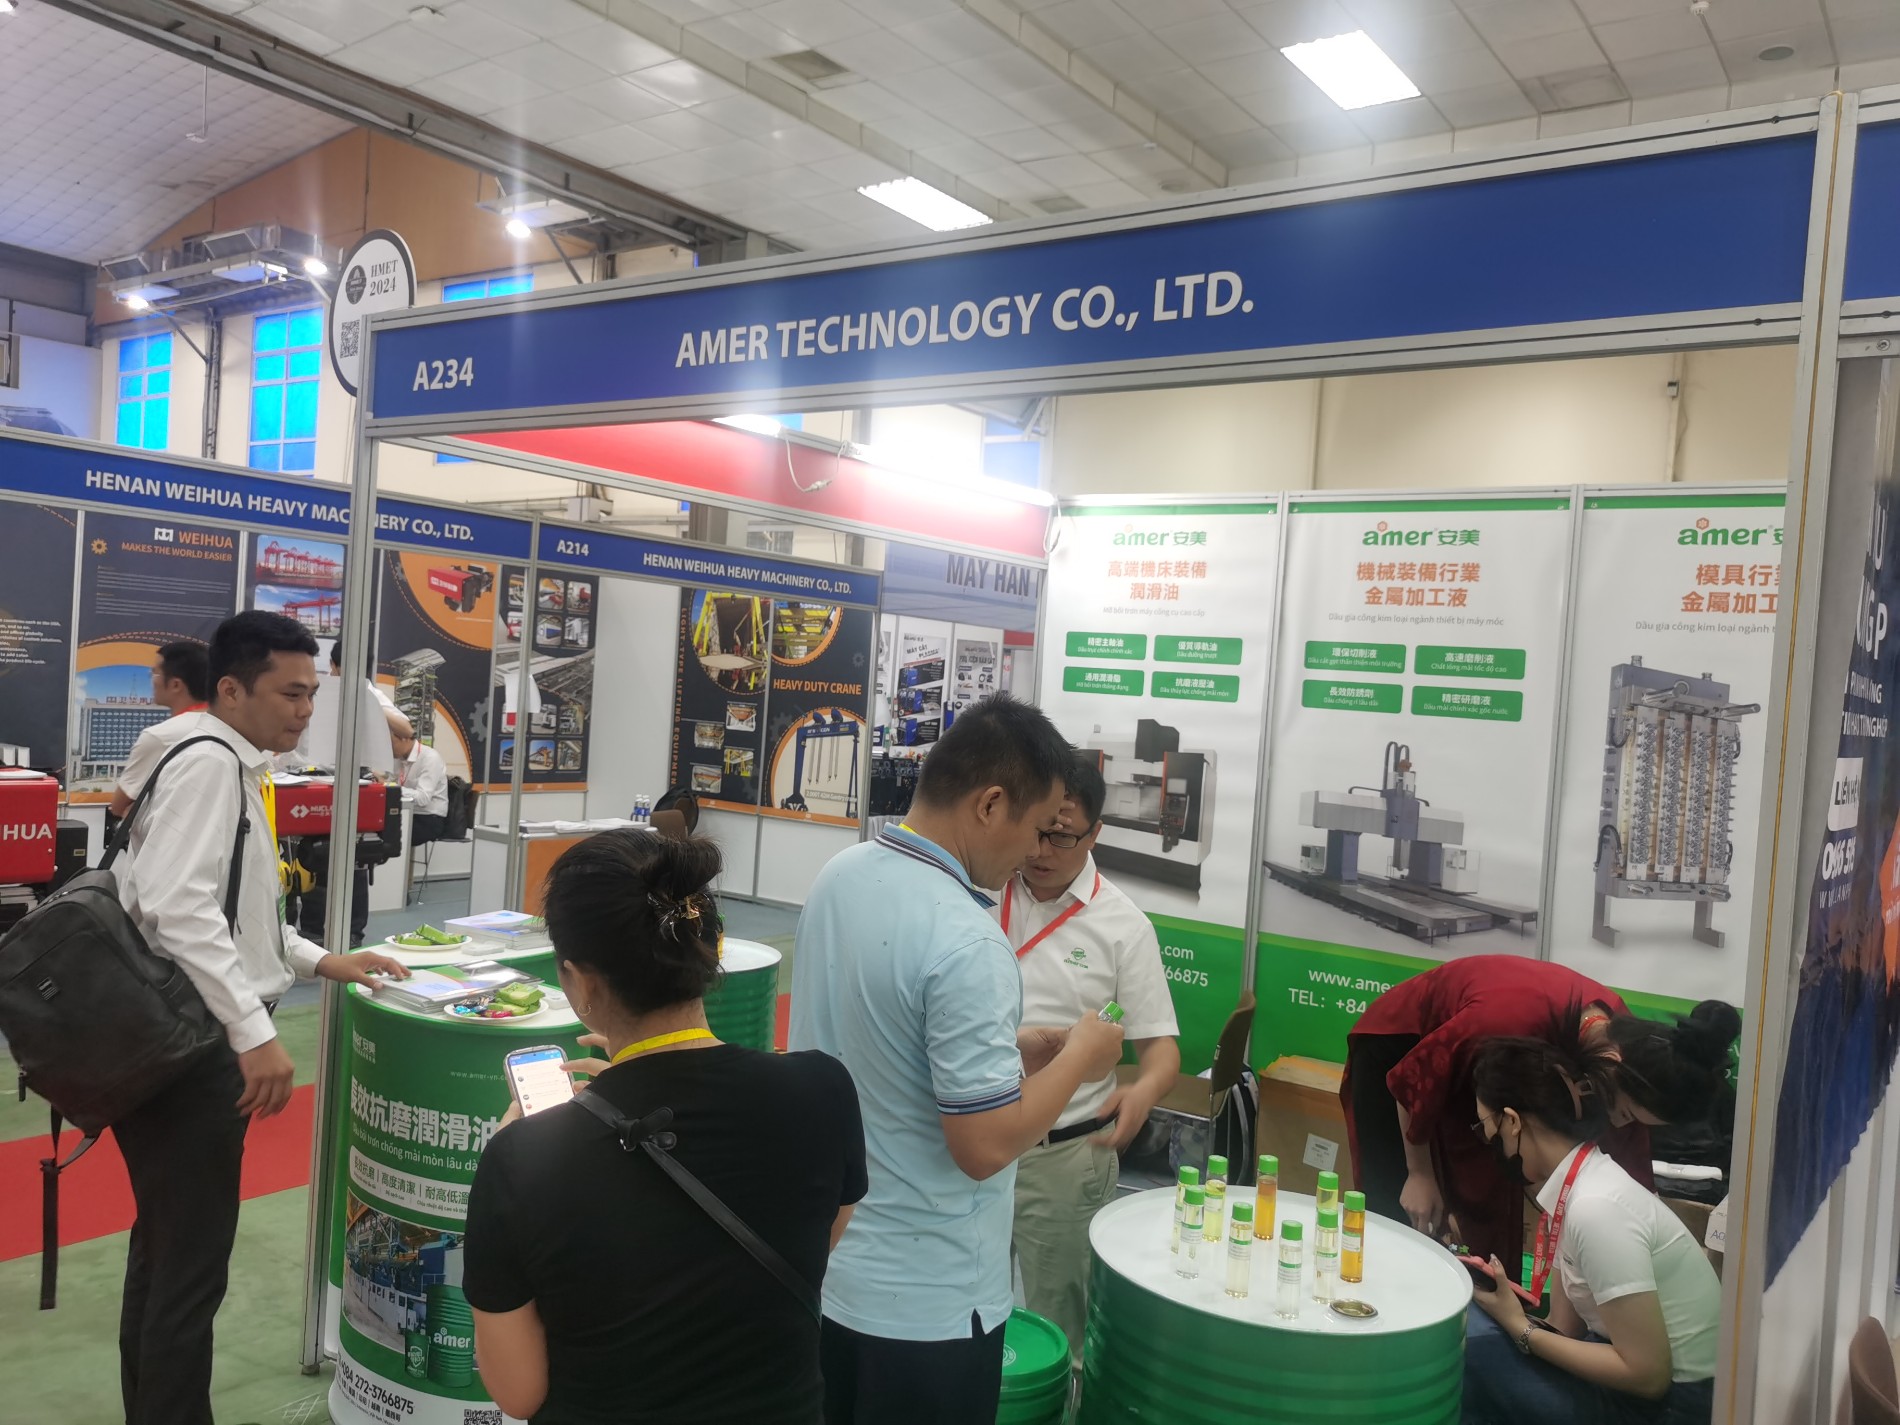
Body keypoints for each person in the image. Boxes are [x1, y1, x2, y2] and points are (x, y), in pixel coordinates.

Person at [791, 694, 1126, 1425]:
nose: (1036, 853)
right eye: (1036, 829)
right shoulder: (968, 938)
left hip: (832, 1268)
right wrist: (1080, 1057)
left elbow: (872, 1039)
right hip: (929, 1303)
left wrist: (1011, 1048)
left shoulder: (841, 875)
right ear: (991, 804)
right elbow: (984, 1145)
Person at [111, 611, 408, 1425]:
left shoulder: (215, 756)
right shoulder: (211, 764)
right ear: (232, 689)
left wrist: (321, 960)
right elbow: (176, 905)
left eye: (311, 693)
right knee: (188, 1270)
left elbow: (235, 911)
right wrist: (255, 1031)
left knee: (166, 1253)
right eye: (290, 693)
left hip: (174, 1037)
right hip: (193, 1049)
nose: (305, 709)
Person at [464, 831, 866, 1424]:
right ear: (709, 949)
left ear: (581, 982)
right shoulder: (822, 1090)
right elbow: (807, 1244)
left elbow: (518, 1392)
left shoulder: (521, 1158)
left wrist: (518, 1146)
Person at [1343, 956, 1739, 1268]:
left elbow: (1629, 1154)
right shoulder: (1509, 1017)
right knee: (1403, 1205)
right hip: (1403, 1053)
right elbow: (1412, 1080)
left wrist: (1648, 1228)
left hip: (1485, 1072)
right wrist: (1419, 1173)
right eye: (1626, 1112)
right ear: (1613, 1066)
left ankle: (1481, 1303)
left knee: (1489, 1198)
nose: (1623, 1124)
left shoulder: (1632, 1054)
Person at [1000, 751, 1180, 1364]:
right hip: (970, 1139)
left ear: (1096, 833)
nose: (1042, 850)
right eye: (1037, 829)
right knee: (959, 1310)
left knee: (1063, 1329)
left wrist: (1144, 1090)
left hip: (1063, 1156)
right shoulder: (985, 889)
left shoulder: (1122, 926)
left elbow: (1162, 1049)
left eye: (1063, 836)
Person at [1464, 1034, 1722, 1424]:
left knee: (1465, 1346)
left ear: (1512, 1122)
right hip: (1638, 1381)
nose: (1487, 1139)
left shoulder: (1597, 1207)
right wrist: (1510, 1312)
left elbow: (1648, 1377)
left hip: (1670, 1406)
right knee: (1476, 1324)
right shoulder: (1580, 1185)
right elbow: (1565, 1328)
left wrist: (1519, 1327)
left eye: (1486, 1126)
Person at [287, 639, 396, 947]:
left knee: (334, 857)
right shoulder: (357, 693)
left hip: (328, 787)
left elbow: (405, 729)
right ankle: (327, 932)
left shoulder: (363, 694)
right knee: (331, 858)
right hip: (324, 786)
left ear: (332, 665)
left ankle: (337, 932)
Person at [107, 641, 212, 817]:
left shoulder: (159, 737)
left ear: (176, 685)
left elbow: (118, 806)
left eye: (155, 673)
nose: (152, 679)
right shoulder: (226, 728)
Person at [386, 711, 449, 845]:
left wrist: (392, 788)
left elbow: (423, 798)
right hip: (406, 812)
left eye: (391, 743)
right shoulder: (398, 758)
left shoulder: (430, 758)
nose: (389, 749)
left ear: (404, 738)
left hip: (429, 817)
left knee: (386, 836)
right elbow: (391, 782)